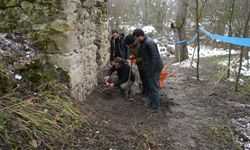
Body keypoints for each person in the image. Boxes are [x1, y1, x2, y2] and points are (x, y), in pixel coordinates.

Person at [133, 29, 163, 112]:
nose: (136, 40)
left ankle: (155, 106)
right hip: (150, 67)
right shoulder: (144, 42)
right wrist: (136, 59)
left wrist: (151, 70)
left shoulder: (149, 43)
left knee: (153, 86)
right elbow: (144, 56)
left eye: (136, 38)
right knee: (151, 85)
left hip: (155, 68)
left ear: (140, 36)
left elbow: (154, 57)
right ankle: (152, 101)